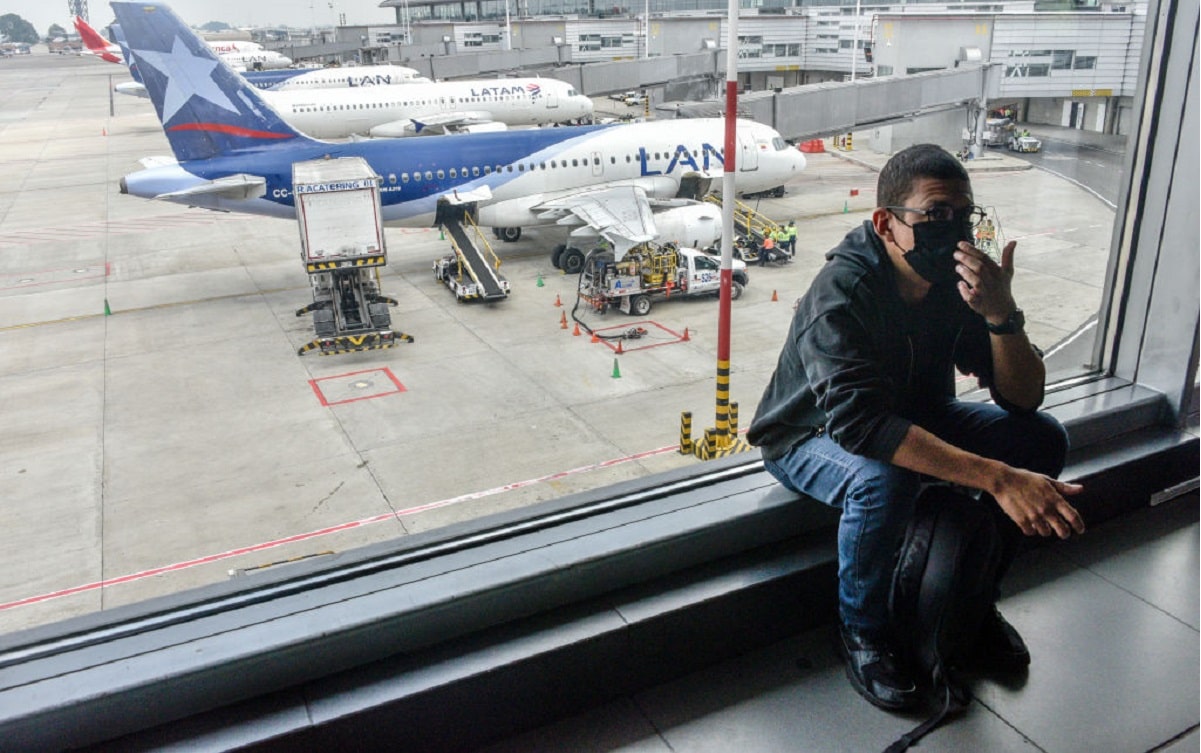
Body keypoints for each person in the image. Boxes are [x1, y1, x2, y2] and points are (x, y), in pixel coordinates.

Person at [747, 143, 1085, 711]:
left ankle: (971, 603)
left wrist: (1002, 314)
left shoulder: (955, 283)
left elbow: (1022, 397)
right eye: (935, 215)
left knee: (1042, 438)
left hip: (913, 414)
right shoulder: (843, 293)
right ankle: (863, 632)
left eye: (962, 215)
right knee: (883, 480)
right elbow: (860, 428)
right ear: (887, 223)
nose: (952, 229)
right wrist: (999, 480)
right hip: (809, 435)